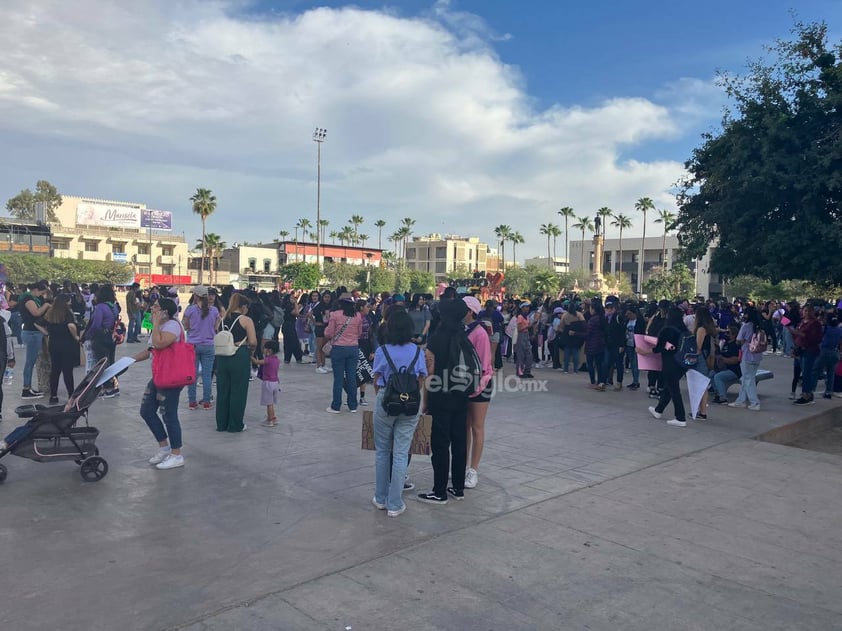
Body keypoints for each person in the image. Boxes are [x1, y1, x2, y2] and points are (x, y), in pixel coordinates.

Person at [370, 309, 427, 518]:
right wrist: (411, 396)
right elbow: (421, 379)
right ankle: (395, 504)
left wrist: (383, 397)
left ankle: (380, 498)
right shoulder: (417, 351)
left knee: (383, 451)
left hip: (386, 402)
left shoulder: (382, 351)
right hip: (410, 404)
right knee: (401, 453)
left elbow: (376, 380)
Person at [418, 299, 472, 505]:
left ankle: (439, 491)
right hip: (462, 394)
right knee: (459, 441)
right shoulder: (464, 335)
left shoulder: (437, 338)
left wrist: (426, 401)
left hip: (441, 396)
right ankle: (458, 488)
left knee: (440, 444)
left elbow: (429, 373)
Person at [131, 298, 187, 470]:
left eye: (156, 307)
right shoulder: (159, 327)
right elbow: (150, 351)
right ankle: (164, 447)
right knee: (147, 410)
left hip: (171, 377)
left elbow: (159, 343)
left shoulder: (172, 326)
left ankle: (177, 455)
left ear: (165, 312)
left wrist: (155, 324)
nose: (152, 309)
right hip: (158, 375)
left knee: (169, 415)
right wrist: (128, 361)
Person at [639, 306, 689, 427]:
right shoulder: (684, 329)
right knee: (669, 387)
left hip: (670, 362)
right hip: (682, 363)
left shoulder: (667, 329)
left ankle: (680, 417)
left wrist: (644, 352)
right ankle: (658, 410)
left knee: (674, 390)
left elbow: (659, 348)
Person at [463, 296, 493, 492]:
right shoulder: (462, 330)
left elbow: (485, 366)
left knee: (476, 427)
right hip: (463, 384)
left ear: (471, 311)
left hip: (480, 385)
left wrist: (477, 388)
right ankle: (463, 464)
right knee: (463, 427)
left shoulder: (480, 333)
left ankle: (473, 469)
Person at [216, 293, 258, 432]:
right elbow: (252, 341)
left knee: (223, 391)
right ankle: (235, 424)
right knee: (238, 391)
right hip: (239, 355)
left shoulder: (222, 320)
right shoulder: (246, 320)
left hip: (222, 357)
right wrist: (251, 351)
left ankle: (221, 424)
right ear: (244, 306)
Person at [183, 285, 220, 410]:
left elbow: (186, 326)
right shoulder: (214, 310)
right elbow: (216, 326)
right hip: (209, 345)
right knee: (206, 374)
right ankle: (207, 401)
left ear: (195, 296)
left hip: (193, 344)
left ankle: (192, 401)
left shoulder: (190, 310)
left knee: (192, 374)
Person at [324, 294, 363, 413]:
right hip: (353, 348)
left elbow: (329, 333)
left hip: (339, 349)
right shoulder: (358, 316)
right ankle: (353, 405)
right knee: (351, 377)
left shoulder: (335, 315)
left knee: (338, 379)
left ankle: (336, 406)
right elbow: (359, 333)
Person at [84, 284, 120, 398]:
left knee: (102, 363)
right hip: (111, 337)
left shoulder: (100, 307)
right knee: (111, 362)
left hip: (101, 338)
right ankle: (114, 386)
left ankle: (106, 387)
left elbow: (95, 325)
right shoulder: (114, 307)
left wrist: (87, 336)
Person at [43, 294, 80, 404]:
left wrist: (48, 333)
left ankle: (53, 396)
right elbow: (71, 326)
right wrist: (76, 337)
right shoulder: (67, 312)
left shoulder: (50, 312)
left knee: (55, 371)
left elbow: (38, 323)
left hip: (53, 344)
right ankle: (71, 396)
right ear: (66, 302)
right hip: (67, 345)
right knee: (67, 371)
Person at [19, 280, 51, 399]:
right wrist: (46, 305)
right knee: (30, 362)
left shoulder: (31, 298)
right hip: (31, 332)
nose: (41, 295)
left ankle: (28, 388)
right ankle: (26, 389)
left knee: (31, 362)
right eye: (41, 293)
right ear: (36, 290)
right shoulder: (28, 299)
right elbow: (36, 313)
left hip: (34, 332)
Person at [728, 305, 764, 410]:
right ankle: (741, 400)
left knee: (748, 380)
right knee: (747, 378)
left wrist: (743, 341)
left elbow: (739, 340)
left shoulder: (746, 326)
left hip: (747, 355)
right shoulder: (759, 326)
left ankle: (755, 402)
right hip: (757, 355)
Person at [693, 305, 718, 419]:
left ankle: (702, 412)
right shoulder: (709, 329)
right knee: (703, 385)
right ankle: (701, 411)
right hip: (707, 357)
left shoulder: (701, 329)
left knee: (700, 385)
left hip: (701, 359)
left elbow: (698, 347)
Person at [252, 340, 281, 426]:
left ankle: (270, 420)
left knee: (269, 403)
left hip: (268, 383)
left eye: (264, 348)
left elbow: (257, 362)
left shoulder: (268, 360)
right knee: (271, 402)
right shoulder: (277, 360)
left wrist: (251, 356)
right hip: (275, 382)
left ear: (269, 350)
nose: (263, 349)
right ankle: (273, 417)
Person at [712, 323, 742, 404]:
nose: (726, 334)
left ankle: (723, 398)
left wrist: (722, 359)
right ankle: (717, 393)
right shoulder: (726, 343)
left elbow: (735, 360)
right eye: (726, 332)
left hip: (734, 370)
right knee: (711, 374)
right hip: (725, 367)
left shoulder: (736, 345)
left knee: (718, 377)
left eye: (728, 333)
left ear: (734, 335)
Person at [311, 291, 333, 374]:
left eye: (328, 297)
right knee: (319, 347)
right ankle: (318, 366)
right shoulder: (319, 306)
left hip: (327, 328)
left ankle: (323, 365)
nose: (327, 299)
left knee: (324, 348)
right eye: (325, 297)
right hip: (319, 327)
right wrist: (314, 322)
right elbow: (310, 314)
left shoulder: (331, 306)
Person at [515, 302, 534, 378]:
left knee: (529, 354)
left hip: (526, 335)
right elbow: (519, 328)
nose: (527, 308)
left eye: (528, 307)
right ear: (522, 308)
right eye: (525, 307)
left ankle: (527, 371)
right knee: (521, 354)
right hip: (521, 335)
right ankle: (520, 372)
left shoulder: (527, 317)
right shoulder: (520, 317)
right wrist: (527, 327)